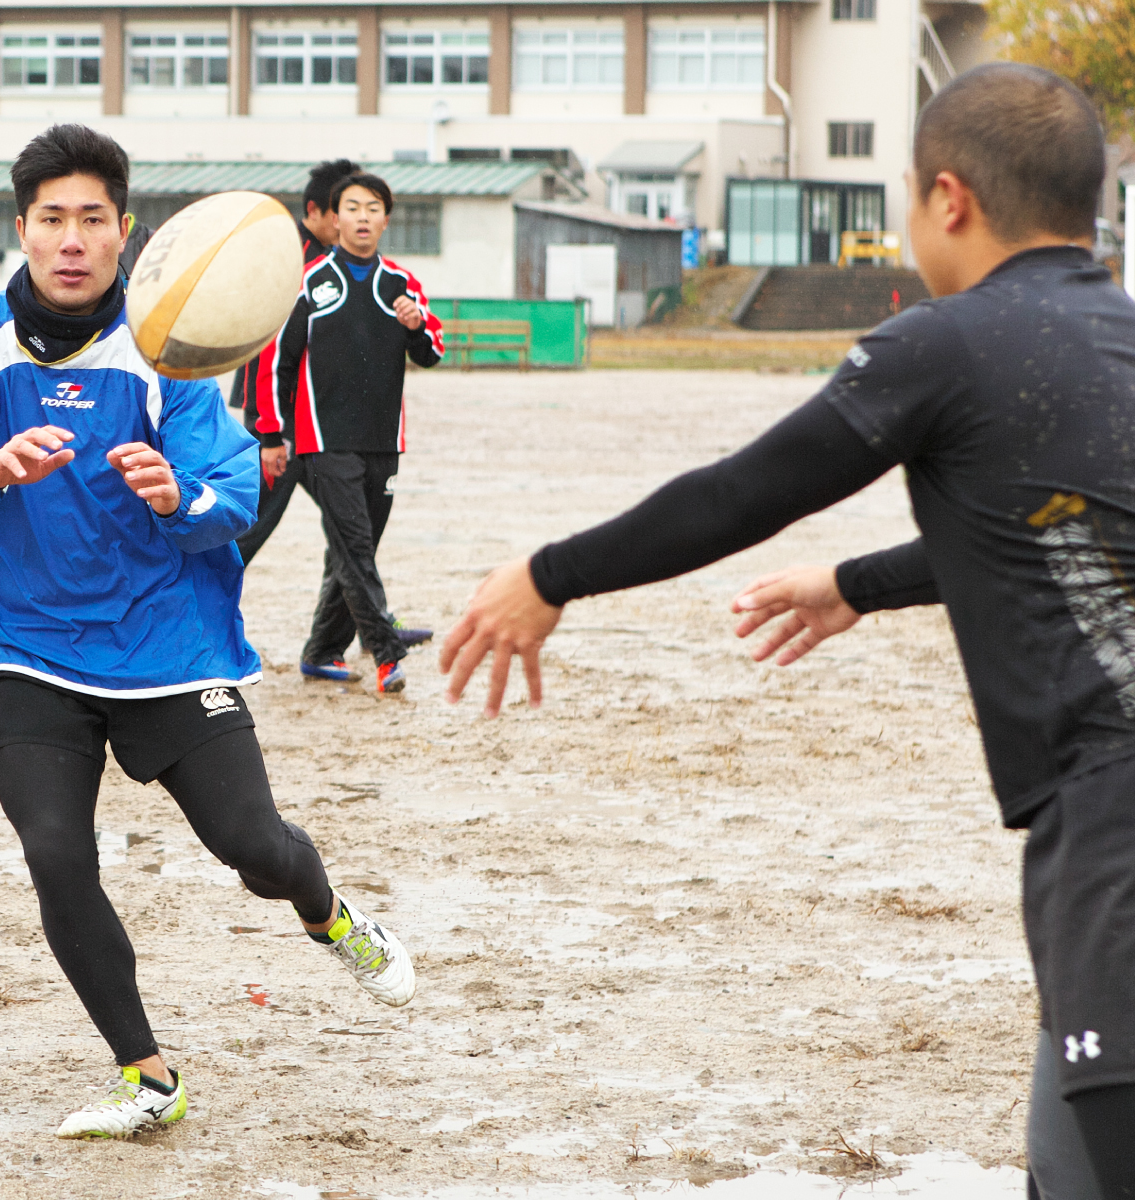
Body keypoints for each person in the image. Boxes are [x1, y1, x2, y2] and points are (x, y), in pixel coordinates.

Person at [440, 65, 1133, 1200]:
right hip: (1101, 838)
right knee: (1064, 1163)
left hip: (1114, 827)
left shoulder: (946, 342)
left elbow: (742, 494)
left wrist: (549, 575)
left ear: (946, 199)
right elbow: (1065, 531)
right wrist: (861, 582)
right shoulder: (1119, 338)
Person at [0, 124, 416, 1141]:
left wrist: (176, 497)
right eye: (49, 220)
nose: (70, 240)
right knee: (56, 853)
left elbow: (232, 496)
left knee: (254, 846)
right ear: (20, 231)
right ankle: (147, 1074)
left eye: (91, 220)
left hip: (168, 646)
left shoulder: (169, 356)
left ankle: (332, 916)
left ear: (126, 233)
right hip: (25, 649)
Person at [267, 172, 444, 692]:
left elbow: (431, 354)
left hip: (384, 441)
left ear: (386, 219)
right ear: (334, 217)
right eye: (352, 207)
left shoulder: (403, 284)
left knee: (352, 551)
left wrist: (415, 326)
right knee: (356, 548)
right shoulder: (309, 280)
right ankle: (388, 656)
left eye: (373, 208)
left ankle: (322, 650)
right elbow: (281, 361)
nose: (362, 217)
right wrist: (273, 435)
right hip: (325, 440)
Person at [233, 157, 355, 565]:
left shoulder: (335, 261)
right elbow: (265, 344)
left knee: (352, 524)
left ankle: (369, 626)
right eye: (343, 212)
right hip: (278, 418)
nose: (352, 222)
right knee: (249, 528)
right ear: (315, 211)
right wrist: (269, 432)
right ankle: (191, 613)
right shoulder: (293, 259)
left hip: (320, 421)